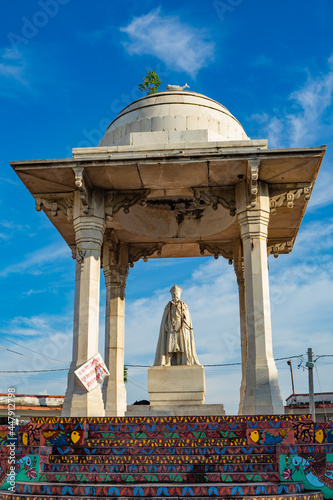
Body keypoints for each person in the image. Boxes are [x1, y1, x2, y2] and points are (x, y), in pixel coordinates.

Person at [154, 285, 201, 366]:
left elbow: (187, 317)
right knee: (170, 345)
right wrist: (165, 325)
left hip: (181, 327)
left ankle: (180, 362)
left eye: (176, 294)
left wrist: (185, 322)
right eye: (173, 294)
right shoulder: (169, 305)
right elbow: (165, 317)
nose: (175, 296)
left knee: (180, 346)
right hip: (171, 327)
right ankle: (168, 362)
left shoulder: (183, 305)